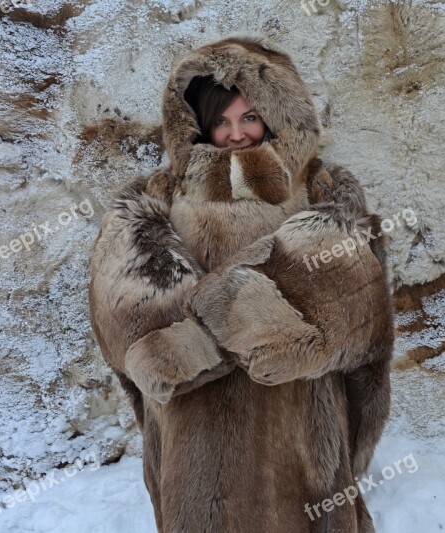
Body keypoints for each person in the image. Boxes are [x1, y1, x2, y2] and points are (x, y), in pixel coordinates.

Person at [89, 36, 393, 532]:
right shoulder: (155, 197)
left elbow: (363, 319)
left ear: (277, 117)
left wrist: (278, 325)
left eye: (249, 117)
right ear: (197, 125)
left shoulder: (324, 191)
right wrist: (190, 344)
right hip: (194, 450)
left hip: (298, 442)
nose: (236, 135)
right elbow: (124, 316)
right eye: (221, 121)